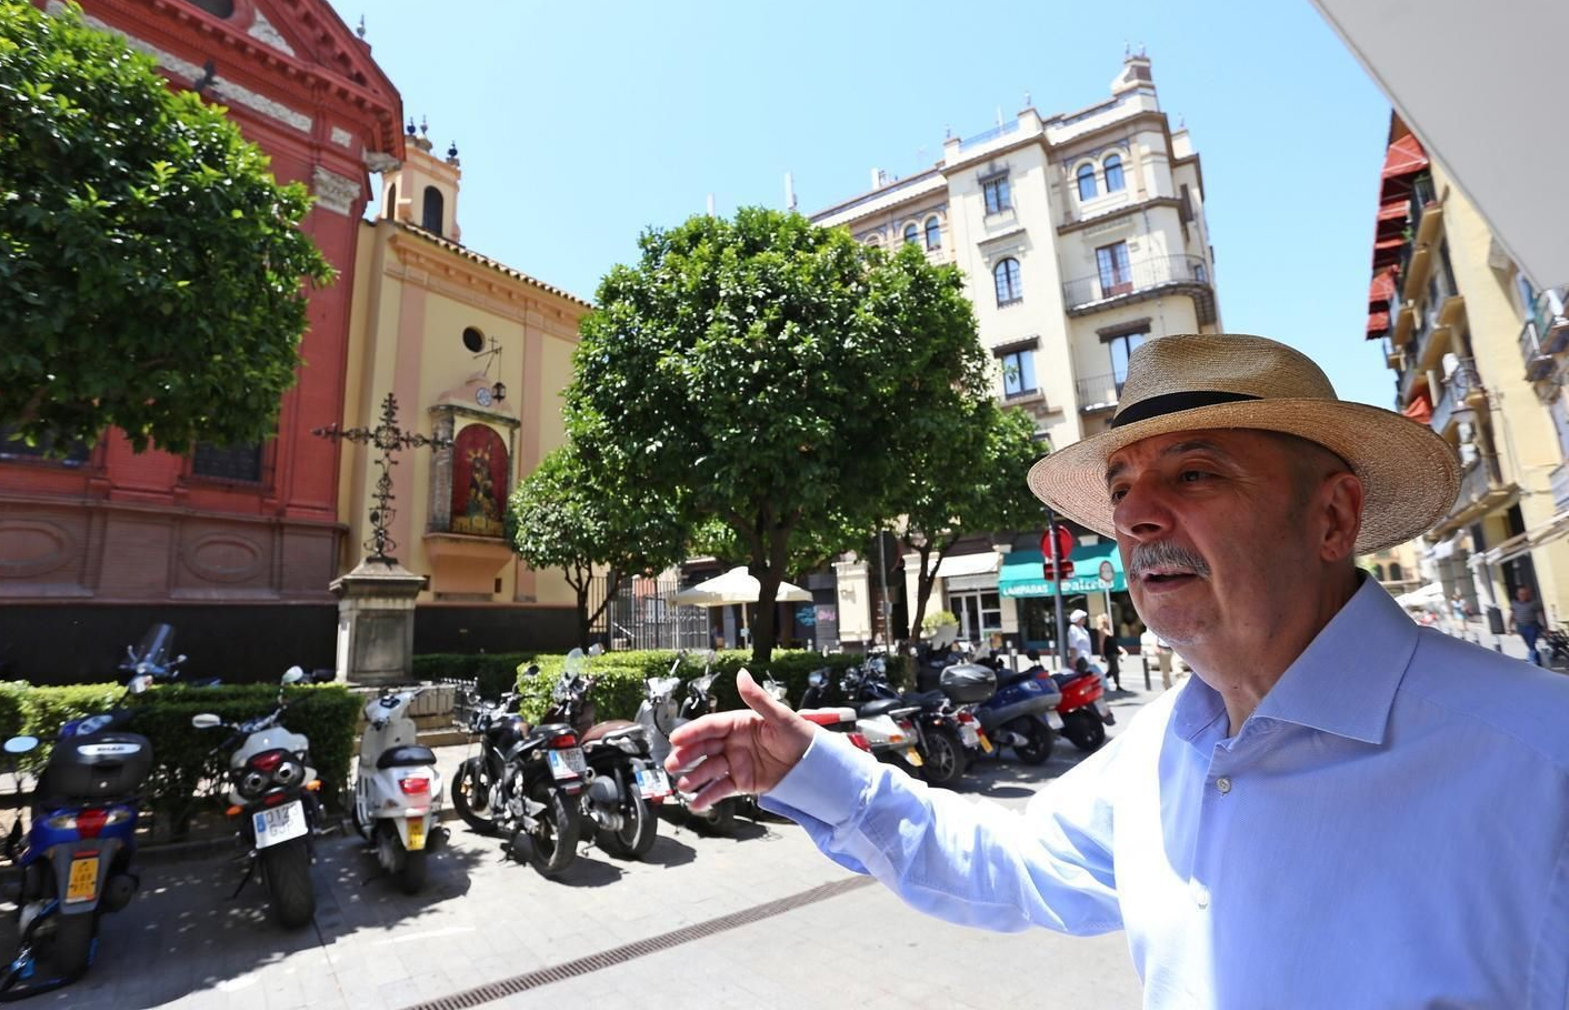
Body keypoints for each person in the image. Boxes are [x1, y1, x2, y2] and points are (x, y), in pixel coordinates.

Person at [666, 334, 1569, 1007]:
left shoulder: (1539, 766)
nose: (1136, 518)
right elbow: (1008, 861)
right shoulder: (1167, 745)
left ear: (1332, 517)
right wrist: (813, 770)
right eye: (1123, 485)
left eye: (1196, 473)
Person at [1510, 584, 1545, 667]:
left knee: (1532, 643)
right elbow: (1512, 615)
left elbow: (1541, 614)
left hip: (1532, 626)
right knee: (1529, 645)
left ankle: (1532, 661)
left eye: (1525, 594)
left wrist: (1545, 626)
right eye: (1521, 594)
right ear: (1517, 595)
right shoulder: (1514, 604)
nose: (1523, 596)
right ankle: (1538, 661)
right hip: (1521, 626)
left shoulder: (1534, 603)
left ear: (1528, 594)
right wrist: (1509, 627)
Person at [1097, 612, 1123, 691]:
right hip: (1109, 653)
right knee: (1114, 669)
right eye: (1106, 618)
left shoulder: (1107, 630)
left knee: (1112, 670)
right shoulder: (1102, 630)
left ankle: (1114, 684)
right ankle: (1104, 682)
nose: (1108, 620)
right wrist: (1102, 655)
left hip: (1114, 652)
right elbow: (1101, 644)